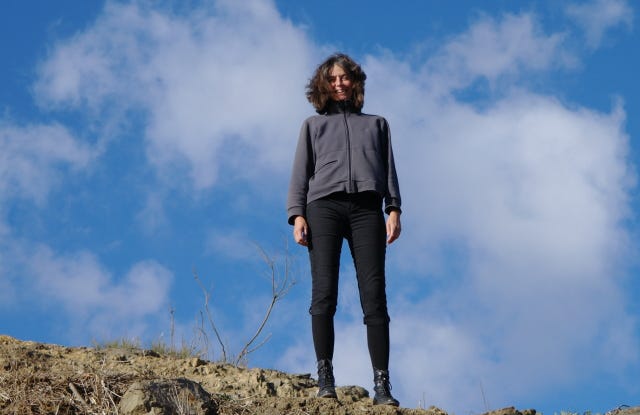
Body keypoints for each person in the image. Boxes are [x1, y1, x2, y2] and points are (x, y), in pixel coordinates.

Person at [286, 53, 402, 406]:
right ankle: (325, 377)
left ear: (355, 82)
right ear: (323, 84)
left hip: (367, 209)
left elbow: (390, 169)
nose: (339, 84)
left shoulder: (377, 124)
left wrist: (393, 208)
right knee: (324, 293)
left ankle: (382, 386)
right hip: (323, 208)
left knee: (375, 297)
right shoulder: (312, 125)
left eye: (345, 78)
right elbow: (300, 173)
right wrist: (297, 215)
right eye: (332, 79)